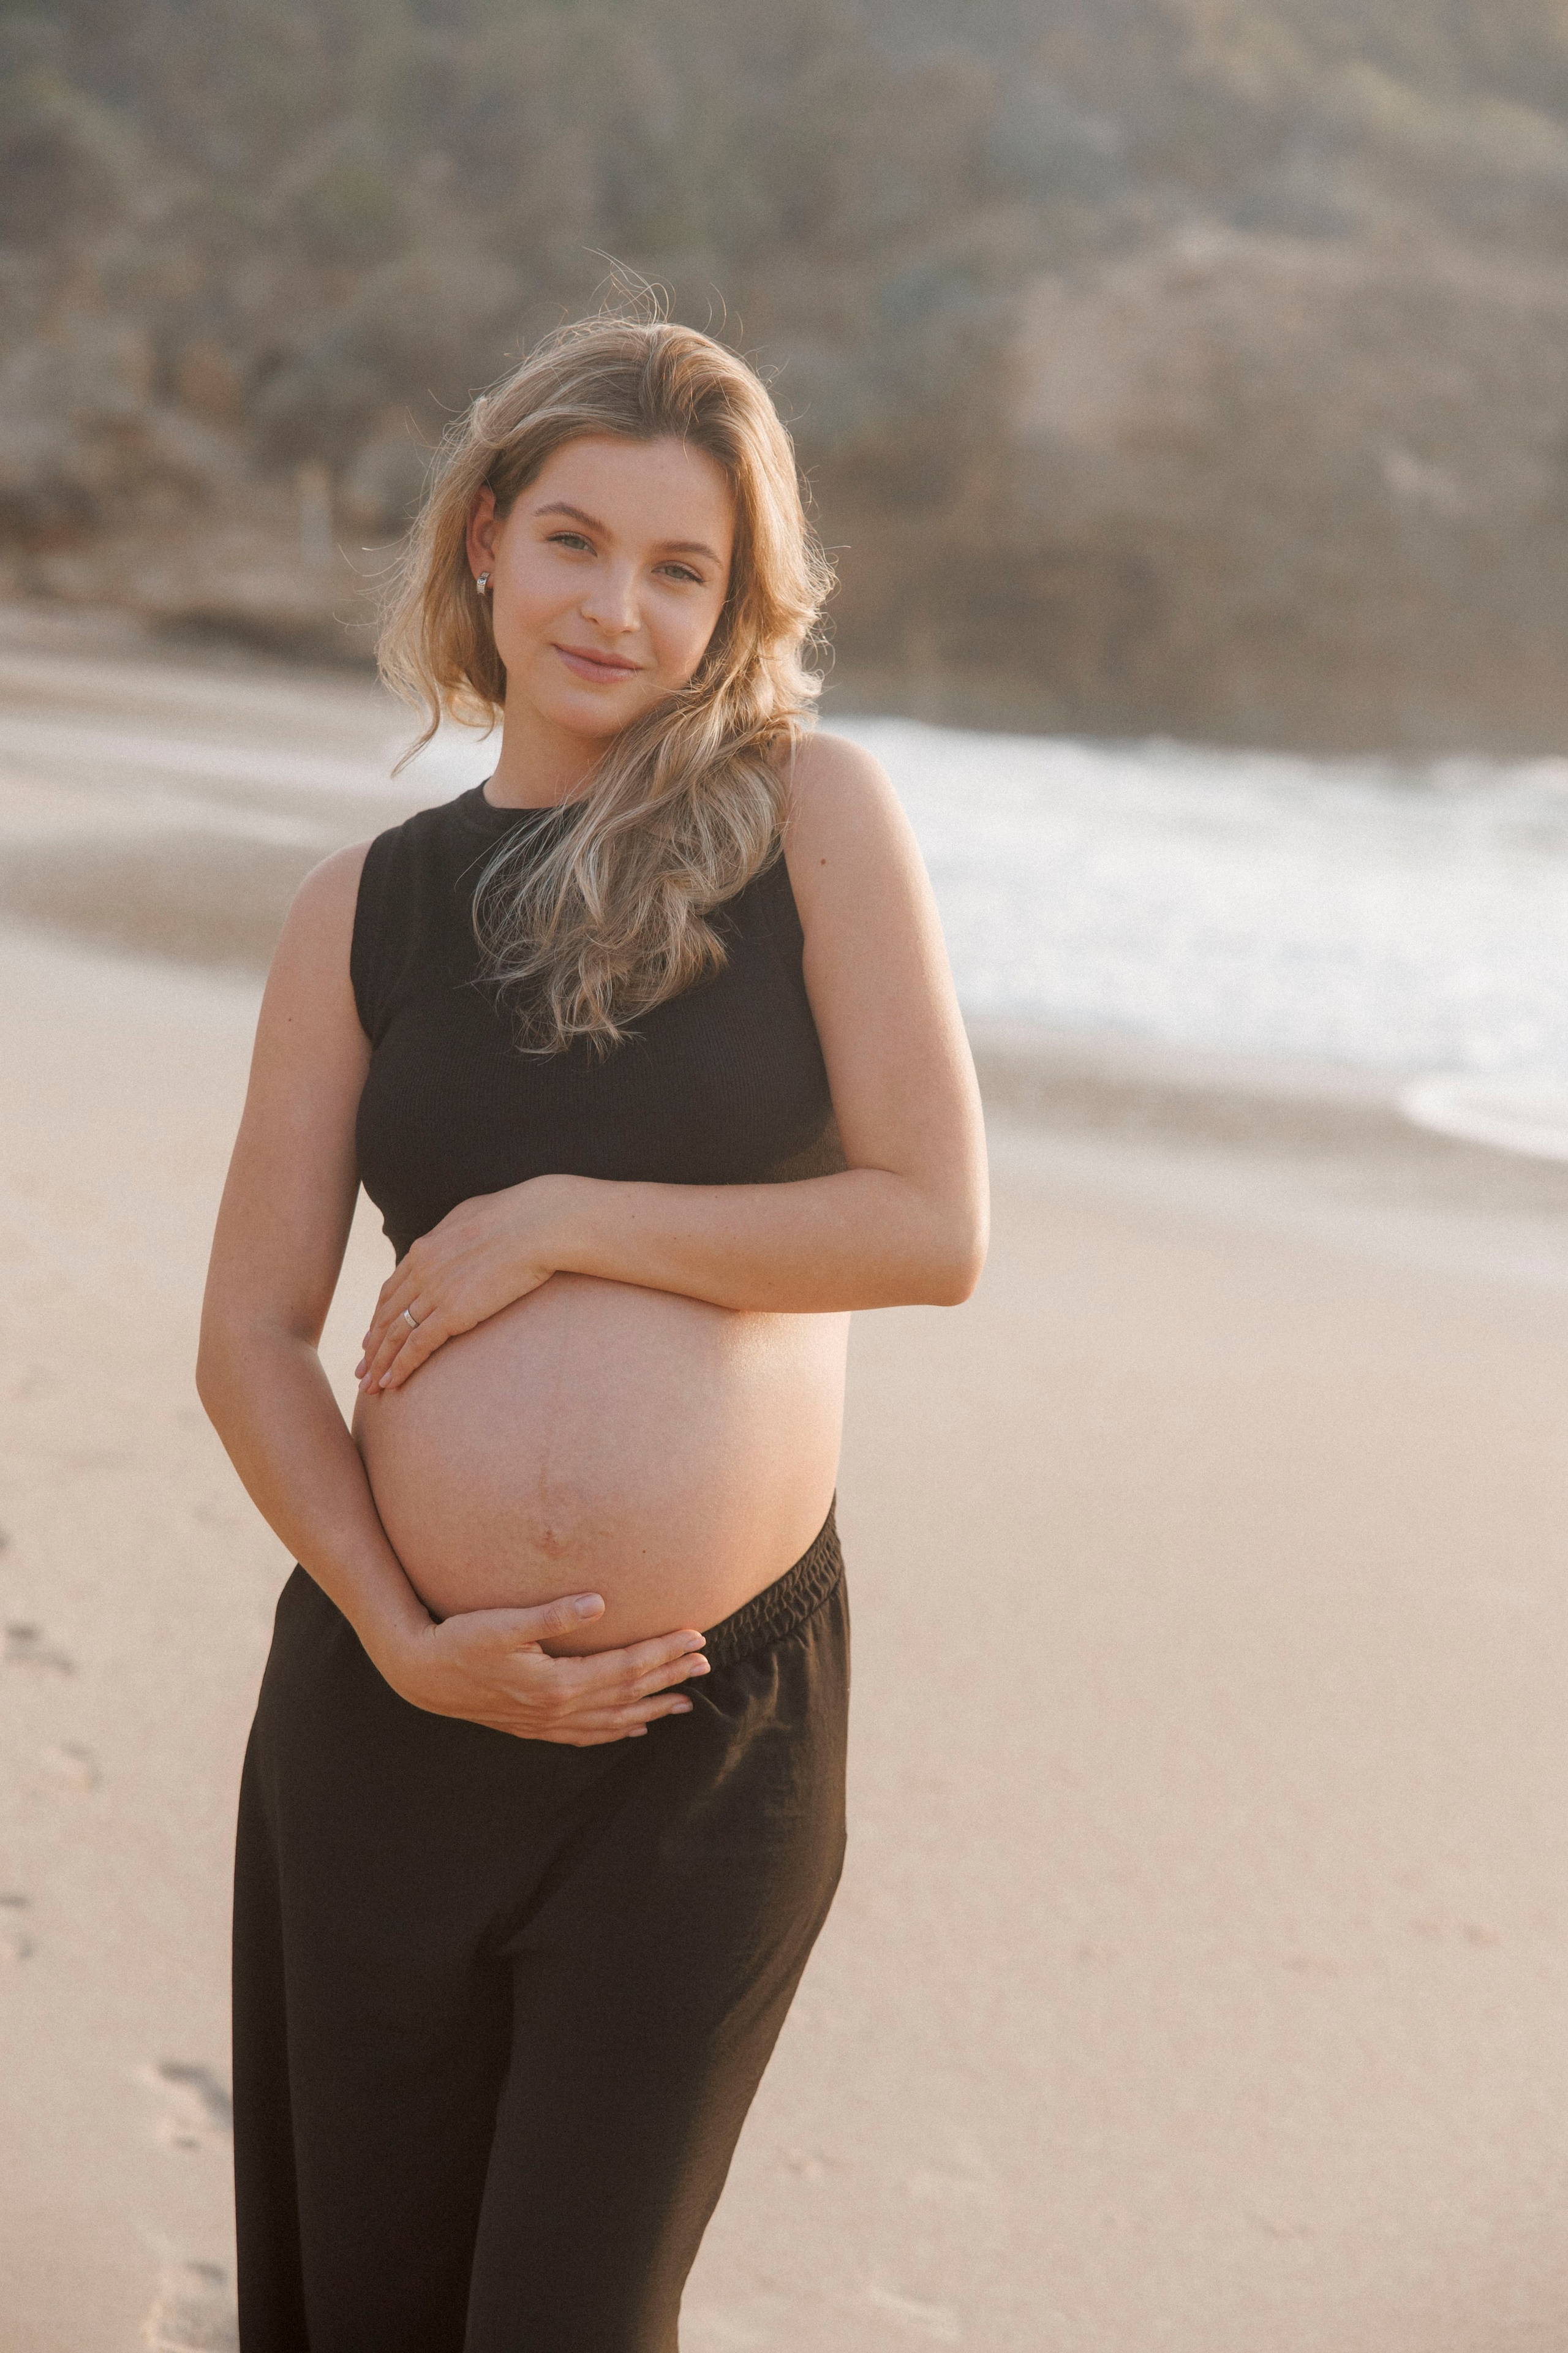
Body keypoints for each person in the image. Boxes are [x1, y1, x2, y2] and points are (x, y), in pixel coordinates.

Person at [197, 309, 989, 2352]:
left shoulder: (813, 819)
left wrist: (559, 1221)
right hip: (388, 1717)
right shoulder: (358, 912)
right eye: (575, 540)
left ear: (737, 607)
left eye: (680, 568)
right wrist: (396, 1627)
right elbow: (253, 1335)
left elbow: (931, 1225)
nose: (616, 607)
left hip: (694, 1742)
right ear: (483, 542)